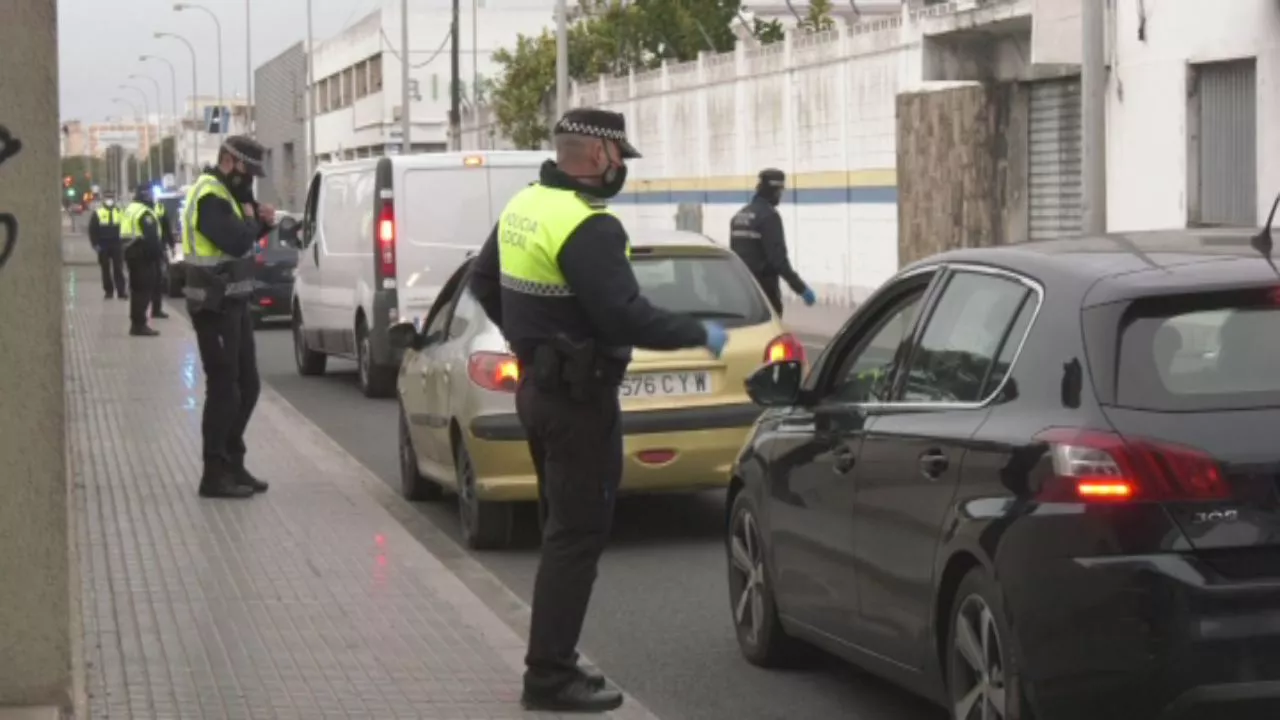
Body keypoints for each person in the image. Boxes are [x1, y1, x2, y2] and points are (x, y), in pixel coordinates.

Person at [469, 108, 729, 713]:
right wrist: (698, 332)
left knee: (562, 530)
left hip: (538, 393)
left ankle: (552, 657)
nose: (623, 171)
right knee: (577, 536)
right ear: (598, 156)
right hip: (580, 403)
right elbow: (624, 316)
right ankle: (550, 674)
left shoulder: (526, 205)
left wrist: (529, 343)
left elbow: (483, 281)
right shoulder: (589, 225)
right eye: (621, 159)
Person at [182, 135, 275, 500]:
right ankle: (213, 473)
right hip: (212, 306)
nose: (250, 179)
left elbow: (243, 237)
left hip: (234, 304)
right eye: (247, 171)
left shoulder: (230, 194)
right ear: (229, 161)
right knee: (224, 388)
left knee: (247, 386)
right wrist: (253, 222)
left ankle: (234, 463)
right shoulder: (210, 196)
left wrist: (261, 223)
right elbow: (234, 241)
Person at [729, 168, 817, 316]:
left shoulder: (739, 216)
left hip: (741, 291)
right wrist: (801, 288)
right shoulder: (769, 217)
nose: (780, 196)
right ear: (773, 191)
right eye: (779, 191)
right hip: (764, 292)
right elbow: (778, 260)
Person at [119, 186, 163, 337]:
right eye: (151, 195)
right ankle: (139, 325)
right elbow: (151, 239)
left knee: (137, 290)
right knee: (144, 291)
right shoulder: (145, 212)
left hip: (132, 254)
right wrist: (157, 256)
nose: (152, 198)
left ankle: (136, 324)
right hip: (142, 255)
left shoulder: (131, 208)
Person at [88, 191, 127, 300]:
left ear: (114, 199)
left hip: (117, 243)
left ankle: (121, 291)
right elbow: (92, 230)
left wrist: (124, 242)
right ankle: (108, 291)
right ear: (103, 199)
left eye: (111, 197)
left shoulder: (120, 212)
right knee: (105, 269)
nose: (109, 200)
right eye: (107, 198)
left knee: (118, 268)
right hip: (103, 244)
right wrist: (95, 244)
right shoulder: (98, 213)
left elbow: (126, 227)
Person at [151, 198, 172, 320]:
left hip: (160, 246)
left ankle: (156, 309)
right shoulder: (139, 209)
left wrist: (171, 244)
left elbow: (167, 227)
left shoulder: (160, 208)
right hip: (144, 250)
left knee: (158, 278)